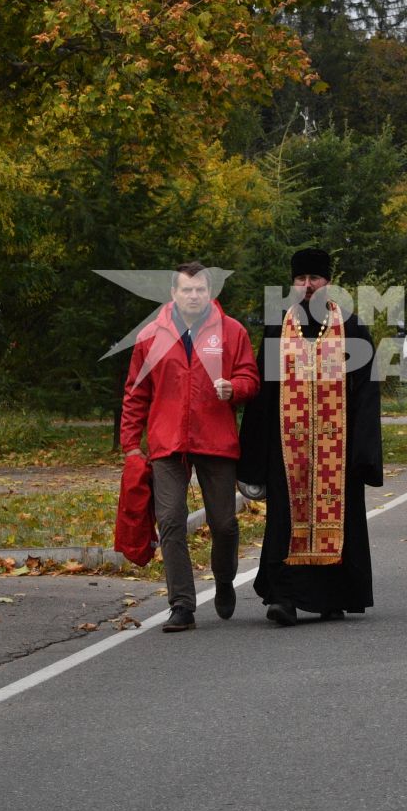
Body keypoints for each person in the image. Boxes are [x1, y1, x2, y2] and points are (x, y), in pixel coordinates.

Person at [237, 248, 384, 624]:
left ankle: (332, 597)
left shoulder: (350, 325)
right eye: (300, 280)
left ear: (327, 283)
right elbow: (263, 395)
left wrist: (365, 449)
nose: (307, 286)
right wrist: (254, 456)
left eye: (313, 279)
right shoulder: (278, 326)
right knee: (286, 521)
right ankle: (283, 598)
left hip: (338, 447)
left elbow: (367, 389)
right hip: (287, 448)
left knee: (340, 520)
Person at [120, 261, 260, 632]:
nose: (194, 295)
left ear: (210, 293)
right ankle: (181, 604)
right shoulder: (151, 335)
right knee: (169, 521)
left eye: (200, 289)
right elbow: (135, 392)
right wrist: (131, 445)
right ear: (173, 294)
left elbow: (250, 377)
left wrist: (236, 388)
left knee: (224, 524)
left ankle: (225, 578)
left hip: (215, 440)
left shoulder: (232, 332)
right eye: (187, 289)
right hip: (168, 443)